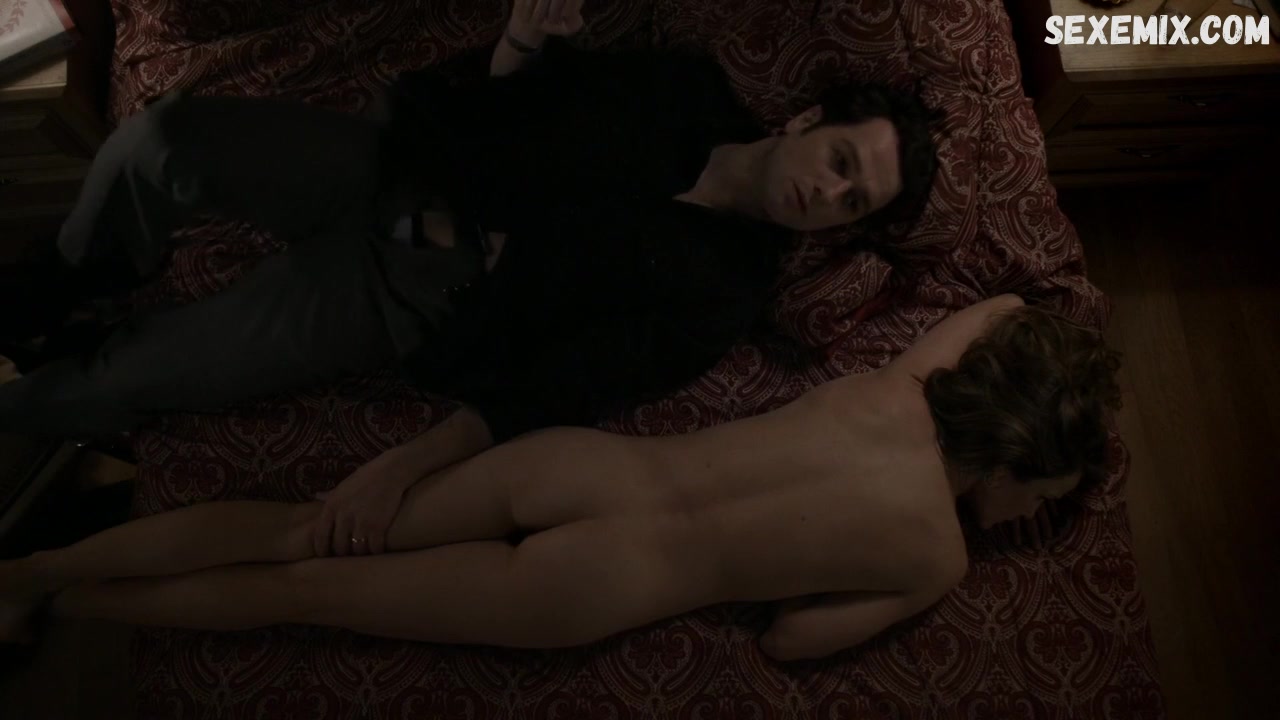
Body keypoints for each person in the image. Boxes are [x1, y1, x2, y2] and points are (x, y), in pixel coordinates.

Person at [0, 0, 938, 556]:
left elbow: (565, 386)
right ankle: (75, 277)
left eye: (852, 202)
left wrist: (399, 469)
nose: (828, 193)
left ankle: (28, 398)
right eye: (842, 162)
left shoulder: (725, 294)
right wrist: (522, 44)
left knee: (128, 375)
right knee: (154, 142)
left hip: (410, 290)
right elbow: (518, 102)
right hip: (397, 167)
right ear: (808, 122)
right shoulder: (684, 89)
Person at [0, 294, 1123, 659]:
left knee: (303, 534)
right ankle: (66, 602)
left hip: (585, 473)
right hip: (605, 581)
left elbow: (1005, 308)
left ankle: (35, 571)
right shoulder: (936, 560)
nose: (1031, 518)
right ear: (1025, 454)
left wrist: (1060, 375)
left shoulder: (901, 389)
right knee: (311, 594)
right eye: (1046, 496)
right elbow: (790, 640)